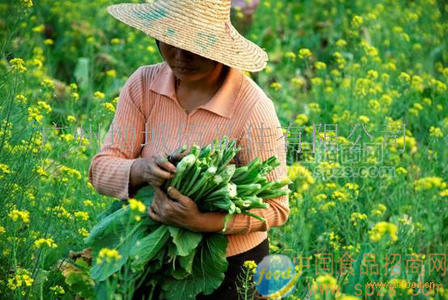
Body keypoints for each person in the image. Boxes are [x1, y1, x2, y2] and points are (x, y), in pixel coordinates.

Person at [89, 0, 289, 299]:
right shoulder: (143, 85)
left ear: (218, 44)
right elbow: (100, 169)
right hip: (150, 254)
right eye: (171, 40)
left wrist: (201, 222)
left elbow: (276, 208)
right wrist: (141, 170)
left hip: (233, 267)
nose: (181, 57)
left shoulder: (252, 107)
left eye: (195, 44)